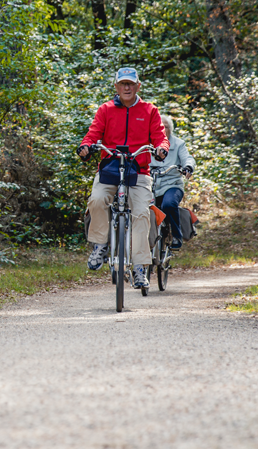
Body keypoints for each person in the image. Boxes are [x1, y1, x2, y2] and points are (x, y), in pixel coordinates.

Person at [77, 67, 169, 289]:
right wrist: (86, 146)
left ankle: (139, 267)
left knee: (141, 214)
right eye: (122, 84)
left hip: (138, 171)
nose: (127, 87)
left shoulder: (149, 110)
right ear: (116, 86)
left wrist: (161, 149)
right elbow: (93, 133)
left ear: (138, 86)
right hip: (109, 168)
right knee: (97, 200)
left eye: (131, 83)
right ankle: (100, 245)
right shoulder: (106, 109)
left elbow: (160, 137)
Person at [151, 115, 196, 250]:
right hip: (151, 183)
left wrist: (188, 167)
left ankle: (176, 235)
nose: (163, 130)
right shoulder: (148, 143)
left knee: (169, 204)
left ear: (171, 129)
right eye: (161, 127)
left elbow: (188, 158)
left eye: (166, 127)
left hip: (172, 184)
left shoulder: (178, 144)